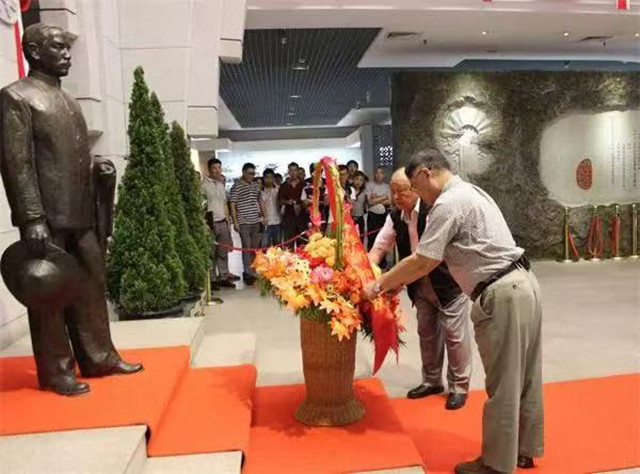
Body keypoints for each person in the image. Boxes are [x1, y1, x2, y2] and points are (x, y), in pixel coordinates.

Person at [364, 149, 543, 474]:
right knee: (526, 376)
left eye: (414, 188)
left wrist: (379, 285)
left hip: (502, 292)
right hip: (524, 283)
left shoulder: (447, 203)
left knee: (503, 382)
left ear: (425, 174)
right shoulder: (472, 191)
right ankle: (524, 450)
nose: (417, 195)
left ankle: (496, 463)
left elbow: (423, 260)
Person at [0, 23, 142, 396]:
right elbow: (16, 164)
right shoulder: (17, 97)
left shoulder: (68, 100)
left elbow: (67, 158)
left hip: (80, 212)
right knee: (48, 292)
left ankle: (99, 357)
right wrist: (31, 217)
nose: (67, 54)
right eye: (58, 47)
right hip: (46, 217)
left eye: (68, 48)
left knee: (92, 284)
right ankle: (56, 372)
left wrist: (98, 170)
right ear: (34, 52)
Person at [369, 168, 472, 409]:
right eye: (392, 192)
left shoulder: (436, 210)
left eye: (401, 191)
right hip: (420, 284)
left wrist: (393, 281)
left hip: (448, 282)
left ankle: (459, 386)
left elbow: (431, 257)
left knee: (455, 336)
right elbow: (379, 246)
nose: (395, 197)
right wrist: (367, 271)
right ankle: (432, 381)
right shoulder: (395, 216)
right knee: (427, 333)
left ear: (415, 189)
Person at [201, 158, 239, 288]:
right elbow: (201, 206)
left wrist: (228, 221)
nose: (217, 171)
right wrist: (204, 223)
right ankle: (212, 279)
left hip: (222, 222)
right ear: (209, 169)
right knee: (211, 252)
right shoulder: (203, 186)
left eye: (219, 168)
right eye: (214, 168)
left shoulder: (221, 185)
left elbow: (224, 204)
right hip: (210, 223)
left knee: (223, 251)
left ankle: (223, 276)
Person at [230, 163, 266, 285]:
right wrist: (235, 221)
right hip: (243, 221)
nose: (252, 176)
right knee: (247, 247)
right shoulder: (236, 186)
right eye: (250, 173)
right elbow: (233, 204)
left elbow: (260, 200)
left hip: (256, 221)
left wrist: (264, 216)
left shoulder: (255, 186)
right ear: (244, 172)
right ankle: (247, 272)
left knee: (254, 248)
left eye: (253, 174)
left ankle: (254, 269)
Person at [278, 162, 305, 246]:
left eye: (295, 170)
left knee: (303, 242)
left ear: (298, 171)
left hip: (302, 217)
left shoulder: (304, 185)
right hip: (289, 217)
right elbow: (279, 201)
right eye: (291, 170)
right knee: (289, 243)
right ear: (288, 172)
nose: (293, 173)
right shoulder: (283, 186)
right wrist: (287, 202)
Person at [366, 166, 392, 251]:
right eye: (377, 172)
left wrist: (376, 198)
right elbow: (370, 202)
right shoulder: (369, 185)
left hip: (383, 215)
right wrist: (384, 197)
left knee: (382, 238)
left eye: (381, 173)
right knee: (372, 238)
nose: (379, 175)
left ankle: (382, 258)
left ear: (384, 175)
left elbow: (389, 201)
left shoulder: (387, 186)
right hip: (372, 215)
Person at [260, 168, 281, 247]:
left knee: (278, 245)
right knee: (265, 245)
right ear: (264, 178)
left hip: (278, 220)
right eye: (267, 178)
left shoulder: (278, 189)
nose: (269, 180)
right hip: (266, 222)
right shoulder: (260, 191)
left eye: (271, 178)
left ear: (274, 178)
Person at [351, 171, 367, 241]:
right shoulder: (349, 190)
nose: (358, 182)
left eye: (361, 180)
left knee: (361, 238)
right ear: (353, 179)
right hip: (350, 218)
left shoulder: (365, 192)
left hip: (360, 218)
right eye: (356, 179)